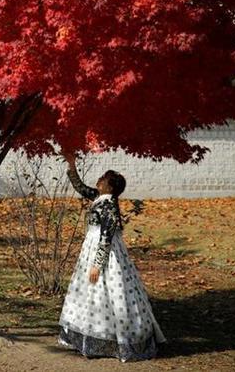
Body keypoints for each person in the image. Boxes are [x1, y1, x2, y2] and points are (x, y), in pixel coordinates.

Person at [58, 152, 165, 361]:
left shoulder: (109, 205)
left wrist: (97, 265)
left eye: (103, 179)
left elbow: (106, 238)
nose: (99, 180)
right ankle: (92, 337)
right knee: (91, 293)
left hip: (104, 252)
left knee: (111, 291)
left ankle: (114, 340)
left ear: (111, 187)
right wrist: (71, 165)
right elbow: (80, 187)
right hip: (92, 247)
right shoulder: (100, 198)